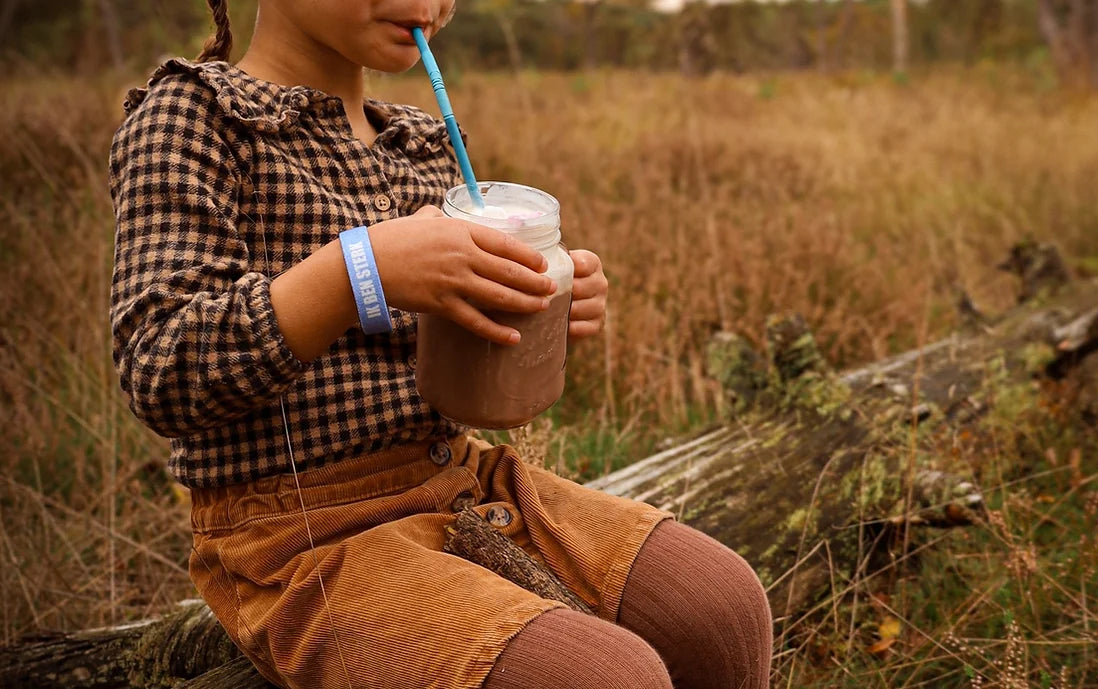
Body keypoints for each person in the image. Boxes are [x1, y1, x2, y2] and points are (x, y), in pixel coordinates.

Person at [108, 0, 773, 687]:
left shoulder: (422, 142)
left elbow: (472, 394)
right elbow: (162, 367)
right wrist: (357, 270)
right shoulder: (195, 118)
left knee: (722, 605)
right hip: (295, 533)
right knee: (605, 676)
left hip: (462, 481)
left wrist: (534, 315)